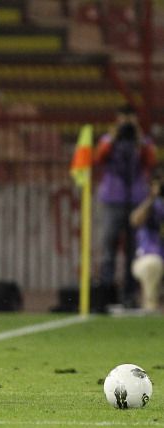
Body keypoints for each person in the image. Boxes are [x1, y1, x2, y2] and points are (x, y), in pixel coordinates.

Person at [93, 104, 156, 312]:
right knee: (109, 248)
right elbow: (99, 157)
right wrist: (114, 137)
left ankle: (130, 295)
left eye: (130, 119)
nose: (126, 123)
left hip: (135, 199)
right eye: (123, 118)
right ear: (117, 119)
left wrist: (138, 138)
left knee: (133, 250)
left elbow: (151, 161)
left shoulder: (142, 141)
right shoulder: (108, 139)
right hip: (112, 198)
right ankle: (107, 294)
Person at [129, 166, 164, 313]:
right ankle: (150, 308)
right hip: (149, 257)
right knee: (152, 264)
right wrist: (152, 197)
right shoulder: (151, 205)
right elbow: (135, 220)